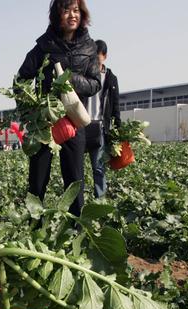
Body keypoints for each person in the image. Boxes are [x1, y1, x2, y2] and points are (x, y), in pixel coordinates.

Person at [17, 0, 101, 216]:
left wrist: (71, 79)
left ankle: (76, 229)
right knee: (37, 180)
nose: (72, 15)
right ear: (57, 15)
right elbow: (21, 81)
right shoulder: (43, 46)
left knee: (75, 181)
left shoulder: (89, 48)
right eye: (66, 10)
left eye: (76, 11)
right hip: (44, 123)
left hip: (73, 121)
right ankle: (33, 225)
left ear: (82, 15)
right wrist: (33, 110)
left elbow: (94, 83)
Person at [85, 39, 121, 199]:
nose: (94, 59)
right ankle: (76, 202)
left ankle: (100, 200)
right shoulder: (84, 75)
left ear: (104, 56)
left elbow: (116, 105)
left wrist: (118, 127)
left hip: (99, 127)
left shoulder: (111, 79)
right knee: (75, 167)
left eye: (97, 56)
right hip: (82, 124)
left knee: (98, 168)